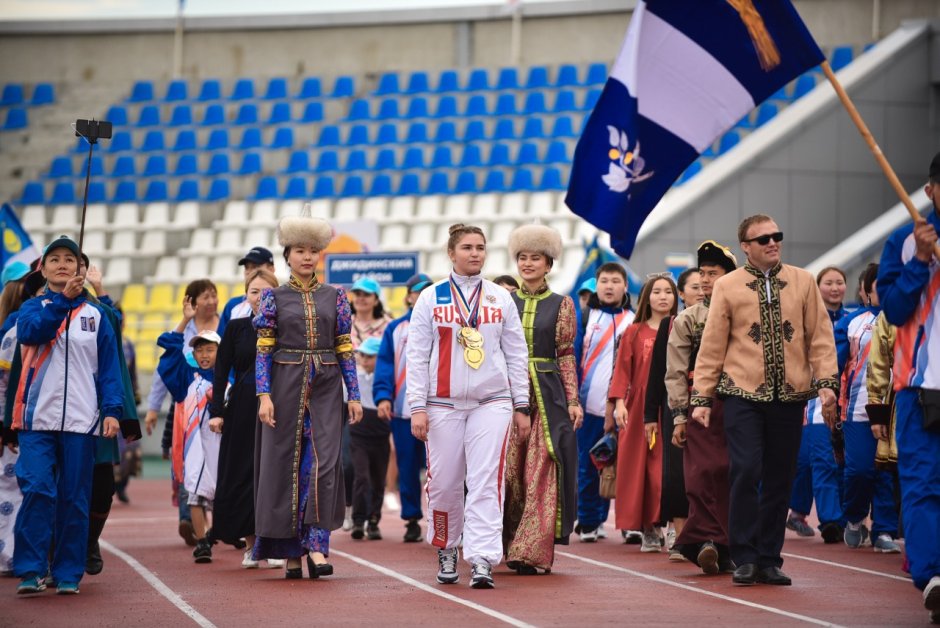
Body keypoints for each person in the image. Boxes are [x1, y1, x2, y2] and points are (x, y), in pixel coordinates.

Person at [691, 215, 839, 587]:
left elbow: (819, 335)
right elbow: (712, 343)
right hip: (742, 392)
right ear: (746, 246)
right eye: (764, 239)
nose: (773, 243)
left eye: (777, 236)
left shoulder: (803, 281)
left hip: (790, 395)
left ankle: (769, 558)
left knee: (779, 477)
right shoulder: (727, 285)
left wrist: (826, 382)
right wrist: (702, 397)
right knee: (745, 469)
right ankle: (743, 554)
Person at [406, 223, 528, 589]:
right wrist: (417, 406)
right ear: (451, 253)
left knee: (485, 481)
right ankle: (446, 547)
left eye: (481, 247)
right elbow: (416, 355)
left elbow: (516, 353)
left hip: (492, 402)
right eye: (468, 247)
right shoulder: (431, 298)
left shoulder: (499, 298)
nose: (475, 253)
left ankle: (482, 559)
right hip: (441, 404)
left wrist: (521, 404)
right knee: (443, 483)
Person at [253, 210, 362, 580]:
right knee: (285, 465)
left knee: (325, 463)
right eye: (299, 250)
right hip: (284, 385)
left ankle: (316, 546)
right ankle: (291, 552)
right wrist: (263, 395)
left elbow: (345, 347)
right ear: (286, 255)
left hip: (328, 386)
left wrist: (355, 395)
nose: (307, 257)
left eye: (313, 250)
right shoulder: (273, 298)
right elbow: (263, 351)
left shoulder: (336, 296)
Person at [11, 236, 123, 595]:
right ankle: (30, 568)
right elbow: (32, 332)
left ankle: (68, 573)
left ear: (81, 268)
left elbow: (109, 368)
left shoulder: (97, 315)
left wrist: (112, 411)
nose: (62, 264)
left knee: (75, 497)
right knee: (38, 490)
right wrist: (62, 301)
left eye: (69, 259)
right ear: (43, 268)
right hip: (35, 420)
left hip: (81, 421)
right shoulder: (32, 308)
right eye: (54, 259)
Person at [876, 151, 940, 623]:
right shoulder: (904, 239)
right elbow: (894, 310)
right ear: (930, 190)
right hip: (922, 386)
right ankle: (932, 577)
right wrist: (921, 259)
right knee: (921, 483)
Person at [502, 224, 581, 574]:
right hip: (505, 395)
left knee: (541, 471)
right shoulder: (502, 300)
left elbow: (565, 354)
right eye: (523, 257)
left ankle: (532, 551)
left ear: (549, 264)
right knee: (509, 474)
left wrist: (573, 400)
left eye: (535, 258)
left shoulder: (562, 304)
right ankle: (503, 544)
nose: (528, 263)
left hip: (547, 398)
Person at [667, 241, 738, 574]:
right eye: (703, 274)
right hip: (701, 405)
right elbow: (676, 370)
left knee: (734, 472)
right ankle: (706, 540)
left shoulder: (745, 313)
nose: (707, 280)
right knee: (700, 475)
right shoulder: (687, 319)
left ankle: (729, 543)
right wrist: (680, 415)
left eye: (714, 273)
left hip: (741, 404)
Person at [209, 268, 282, 568]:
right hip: (241, 408)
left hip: (279, 407)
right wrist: (216, 412)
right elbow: (220, 371)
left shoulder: (287, 327)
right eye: (255, 291)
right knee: (242, 473)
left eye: (267, 292)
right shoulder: (236, 328)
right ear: (245, 295)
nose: (261, 297)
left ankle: (277, 544)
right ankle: (252, 545)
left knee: (275, 474)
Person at [147, 279, 220, 547]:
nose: (203, 354)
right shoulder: (185, 377)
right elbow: (166, 351)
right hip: (191, 441)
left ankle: (230, 532)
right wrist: (183, 320)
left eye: (209, 349)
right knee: (194, 489)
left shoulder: (226, 376)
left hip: (222, 443)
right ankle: (201, 540)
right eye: (198, 349)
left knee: (225, 489)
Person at [833, 263, 900, 553]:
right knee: (859, 470)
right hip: (858, 408)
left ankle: (883, 529)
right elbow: (834, 365)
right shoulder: (852, 322)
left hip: (897, 408)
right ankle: (855, 516)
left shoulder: (906, 318)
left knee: (886, 470)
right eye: (878, 284)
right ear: (866, 290)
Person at [610, 274, 677, 552]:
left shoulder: (681, 328)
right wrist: (619, 403)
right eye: (656, 291)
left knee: (669, 469)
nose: (663, 297)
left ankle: (674, 525)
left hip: (672, 404)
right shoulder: (634, 331)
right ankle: (648, 528)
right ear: (647, 297)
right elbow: (622, 370)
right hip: (638, 408)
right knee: (641, 469)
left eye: (668, 292)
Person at [643, 267, 704, 560]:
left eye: (704, 285)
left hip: (712, 404)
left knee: (708, 469)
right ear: (681, 294)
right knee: (676, 471)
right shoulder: (670, 325)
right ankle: (679, 534)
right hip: (675, 406)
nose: (701, 291)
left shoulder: (722, 319)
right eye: (694, 287)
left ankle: (707, 533)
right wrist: (649, 417)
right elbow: (657, 375)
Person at [787, 265, 849, 543]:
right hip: (813, 403)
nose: (835, 288)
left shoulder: (853, 320)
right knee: (815, 460)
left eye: (839, 282)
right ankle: (831, 521)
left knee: (839, 462)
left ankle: (840, 516)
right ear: (817, 287)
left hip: (850, 403)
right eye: (828, 283)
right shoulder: (805, 320)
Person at [575, 262, 634, 543]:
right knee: (589, 464)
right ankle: (589, 521)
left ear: (625, 286)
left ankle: (629, 522)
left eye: (615, 281)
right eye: (604, 281)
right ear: (596, 286)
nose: (609, 286)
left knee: (625, 466)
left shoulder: (634, 320)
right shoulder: (585, 318)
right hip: (589, 407)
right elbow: (573, 359)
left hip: (626, 408)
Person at [374, 272, 433, 543]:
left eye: (427, 291)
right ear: (408, 296)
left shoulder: (447, 325)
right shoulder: (395, 329)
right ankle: (411, 518)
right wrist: (383, 396)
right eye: (417, 291)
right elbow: (384, 365)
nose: (422, 296)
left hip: (440, 410)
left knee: (443, 469)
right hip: (403, 411)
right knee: (408, 467)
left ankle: (445, 518)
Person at [348, 337, 389, 541]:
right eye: (362, 354)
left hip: (381, 434)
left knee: (378, 480)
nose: (364, 359)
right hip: (359, 434)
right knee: (361, 477)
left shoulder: (385, 378)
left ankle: (373, 521)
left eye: (370, 356)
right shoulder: (353, 375)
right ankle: (358, 520)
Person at [217, 246, 276, 338]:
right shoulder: (232, 305)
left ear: (271, 269)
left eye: (255, 267)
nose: (249, 271)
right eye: (246, 267)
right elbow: (221, 342)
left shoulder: (284, 303)